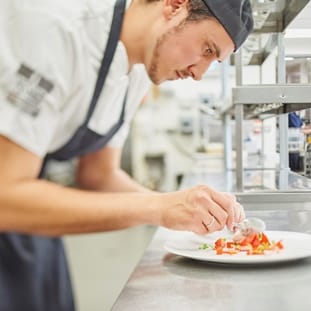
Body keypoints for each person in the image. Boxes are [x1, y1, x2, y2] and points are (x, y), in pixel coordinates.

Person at [0, 0, 253, 310]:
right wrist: (159, 207)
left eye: (214, 61)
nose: (200, 73)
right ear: (175, 6)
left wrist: (182, 207)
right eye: (207, 49)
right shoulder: (55, 29)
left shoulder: (137, 71)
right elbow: (5, 197)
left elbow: (99, 176)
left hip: (31, 228)